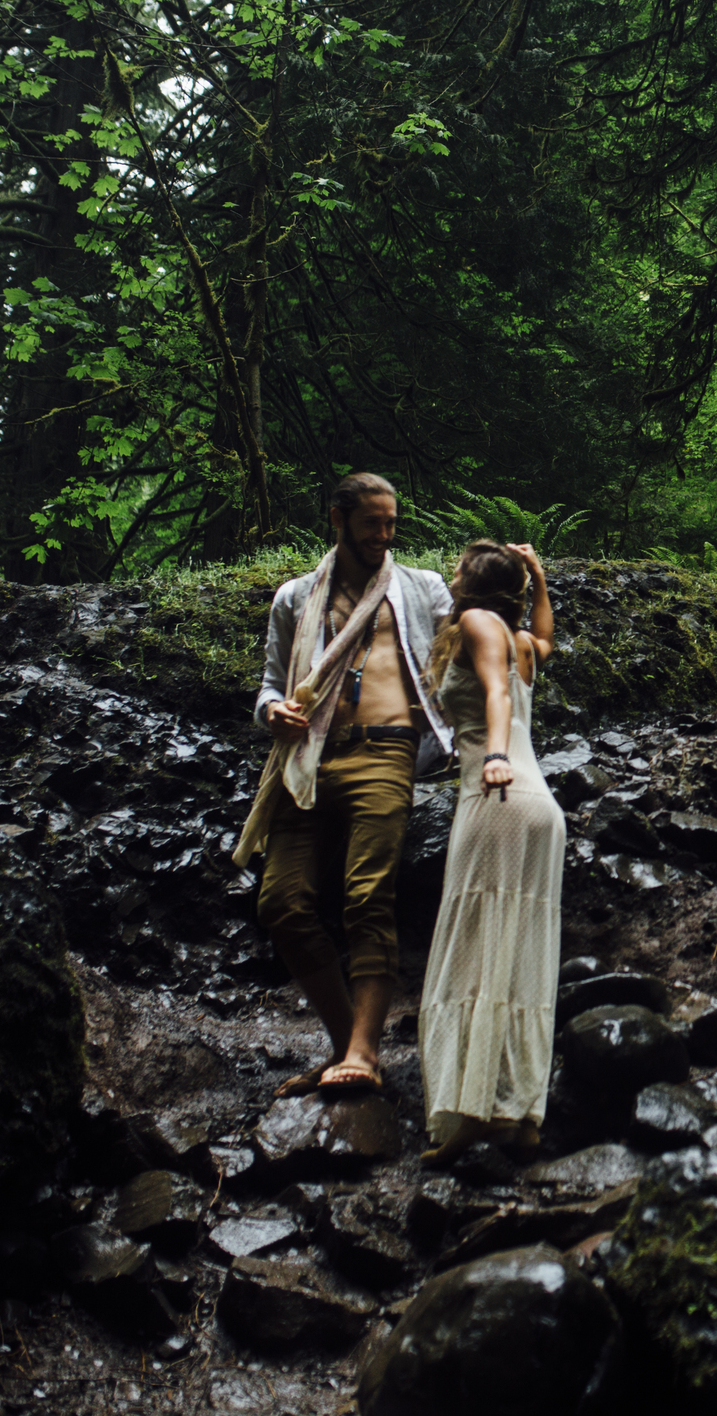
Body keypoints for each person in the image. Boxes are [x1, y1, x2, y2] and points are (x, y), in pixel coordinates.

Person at [232, 472, 454, 1098]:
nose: (383, 536)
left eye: (390, 524)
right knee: (280, 904)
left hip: (386, 754)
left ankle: (364, 1050)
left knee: (366, 899)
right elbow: (271, 685)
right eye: (370, 525)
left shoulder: (420, 588)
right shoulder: (296, 598)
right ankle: (341, 1044)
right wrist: (270, 712)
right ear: (338, 520)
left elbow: (464, 647)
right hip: (306, 760)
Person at [418, 538, 561, 1165]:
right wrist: (540, 577)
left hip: (497, 795)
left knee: (474, 947)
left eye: (457, 572)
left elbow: (495, 694)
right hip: (540, 811)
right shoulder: (521, 639)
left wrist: (496, 756)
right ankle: (519, 1117)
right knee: (519, 952)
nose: (451, 579)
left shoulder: (477, 624)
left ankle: (471, 1112)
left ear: (472, 583)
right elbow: (545, 637)